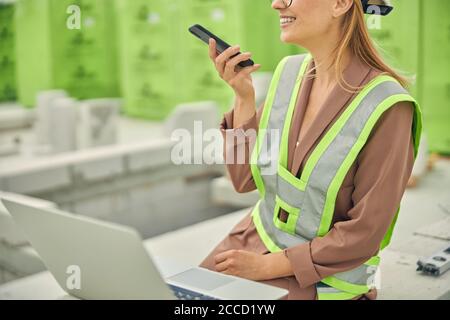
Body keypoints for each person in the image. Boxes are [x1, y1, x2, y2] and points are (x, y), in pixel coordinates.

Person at [199, 0, 422, 300]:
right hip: (254, 241)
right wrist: (243, 97)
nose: (277, 4)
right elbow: (244, 179)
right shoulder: (289, 73)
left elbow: (366, 233)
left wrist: (266, 267)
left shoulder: (388, 107)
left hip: (323, 279)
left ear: (341, 4)